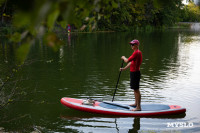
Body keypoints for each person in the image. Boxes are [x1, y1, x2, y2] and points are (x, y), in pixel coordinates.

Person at [120, 39, 142, 111]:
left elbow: (126, 61)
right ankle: (136, 104)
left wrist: (123, 57)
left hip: (135, 73)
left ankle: (138, 107)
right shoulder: (136, 53)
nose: (131, 46)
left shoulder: (136, 53)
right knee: (134, 89)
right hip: (134, 72)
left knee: (136, 90)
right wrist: (124, 69)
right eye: (131, 44)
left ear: (136, 45)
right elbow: (131, 62)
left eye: (133, 44)